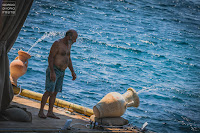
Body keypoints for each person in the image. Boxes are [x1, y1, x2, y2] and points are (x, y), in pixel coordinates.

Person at [38, 29, 78, 119]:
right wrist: (52, 72)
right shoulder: (57, 43)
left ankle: (50, 112)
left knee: (55, 93)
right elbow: (50, 57)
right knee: (49, 91)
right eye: (74, 38)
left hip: (62, 72)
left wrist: (72, 71)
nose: (75, 41)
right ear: (69, 36)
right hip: (54, 70)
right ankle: (41, 111)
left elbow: (68, 59)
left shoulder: (69, 45)